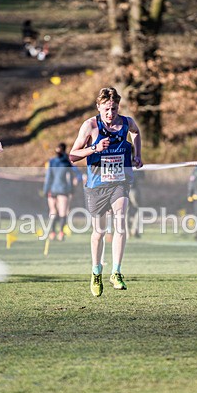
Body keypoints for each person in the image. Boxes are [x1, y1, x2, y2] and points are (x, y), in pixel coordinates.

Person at [69, 87, 143, 297]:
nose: (111, 113)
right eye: (107, 109)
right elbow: (72, 156)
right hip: (96, 186)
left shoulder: (126, 122)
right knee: (99, 232)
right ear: (98, 107)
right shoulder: (91, 125)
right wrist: (94, 148)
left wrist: (138, 154)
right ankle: (96, 272)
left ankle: (116, 272)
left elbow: (136, 133)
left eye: (114, 108)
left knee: (120, 224)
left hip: (119, 183)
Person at [43, 142, 80, 241]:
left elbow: (76, 175)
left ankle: (57, 232)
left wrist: (46, 190)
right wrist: (46, 190)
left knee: (58, 212)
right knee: (58, 212)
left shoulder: (62, 161)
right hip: (58, 190)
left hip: (59, 190)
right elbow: (49, 177)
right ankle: (56, 233)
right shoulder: (60, 161)